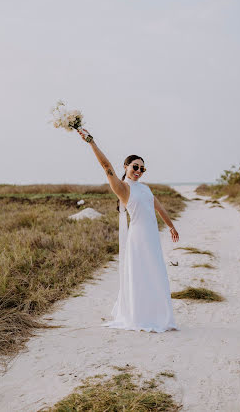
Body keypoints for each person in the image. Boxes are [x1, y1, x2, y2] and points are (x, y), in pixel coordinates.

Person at [78, 127, 180, 333]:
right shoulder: (123, 188)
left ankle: (158, 314)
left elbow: (158, 207)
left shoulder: (145, 188)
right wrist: (91, 141)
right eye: (135, 166)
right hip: (138, 237)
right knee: (140, 275)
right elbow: (106, 166)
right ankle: (139, 315)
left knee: (156, 274)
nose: (139, 171)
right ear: (126, 167)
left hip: (152, 237)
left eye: (143, 168)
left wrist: (171, 226)